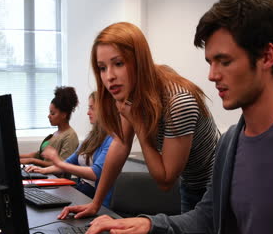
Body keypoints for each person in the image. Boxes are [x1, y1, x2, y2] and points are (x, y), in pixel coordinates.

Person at [78, 0, 273, 234]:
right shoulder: (230, 144)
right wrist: (149, 224)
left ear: (267, 57)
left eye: (225, 61)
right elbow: (208, 218)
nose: (211, 75)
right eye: (210, 62)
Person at [59, 22, 219, 217]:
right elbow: (121, 143)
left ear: (139, 61)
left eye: (118, 64)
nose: (109, 76)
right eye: (102, 68)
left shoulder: (178, 102)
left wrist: (139, 125)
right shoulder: (135, 89)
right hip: (191, 184)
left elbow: (166, 180)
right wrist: (96, 204)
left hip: (216, 187)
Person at [25, 91, 114, 207]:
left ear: (104, 110)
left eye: (92, 108)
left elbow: (95, 173)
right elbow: (69, 162)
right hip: (82, 189)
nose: (88, 113)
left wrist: (57, 162)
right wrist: (43, 170)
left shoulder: (112, 140)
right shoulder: (91, 136)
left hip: (95, 199)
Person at [20, 86, 79, 173]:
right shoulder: (55, 134)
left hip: (57, 179)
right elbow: (38, 155)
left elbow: (63, 165)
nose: (49, 116)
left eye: (53, 113)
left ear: (63, 115)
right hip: (44, 174)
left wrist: (32, 161)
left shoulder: (70, 136)